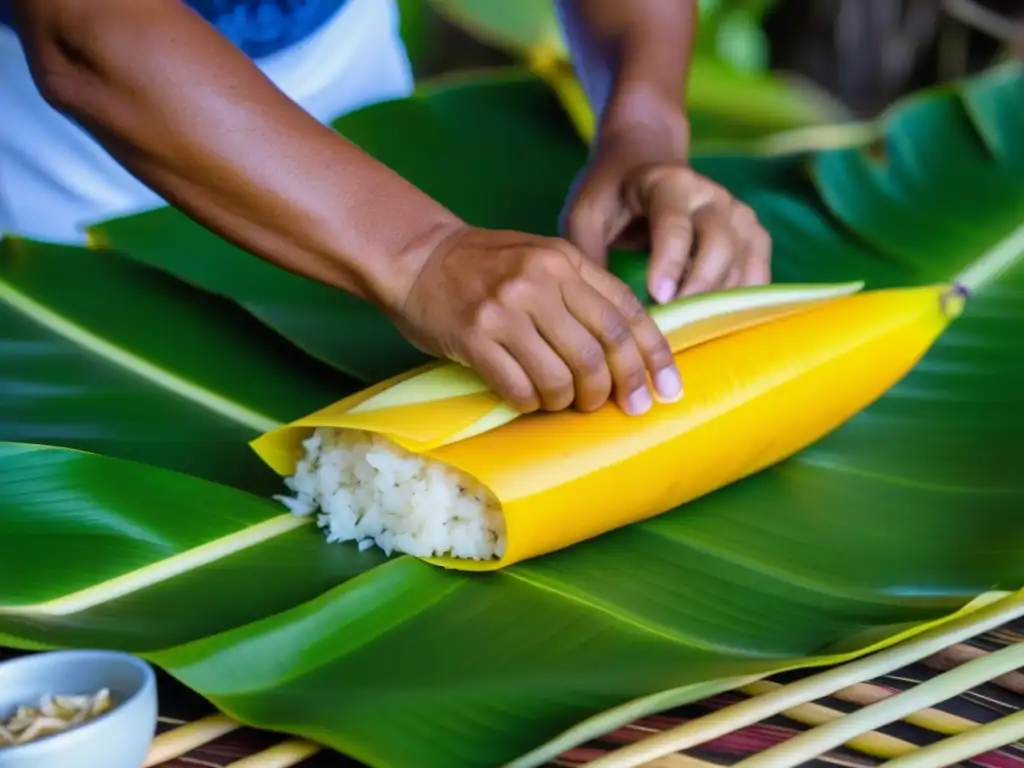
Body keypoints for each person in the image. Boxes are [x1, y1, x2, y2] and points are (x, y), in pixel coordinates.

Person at [2, 0, 771, 418]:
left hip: (352, 68)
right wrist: (421, 254)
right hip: (71, 143)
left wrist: (643, 132)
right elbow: (84, 29)